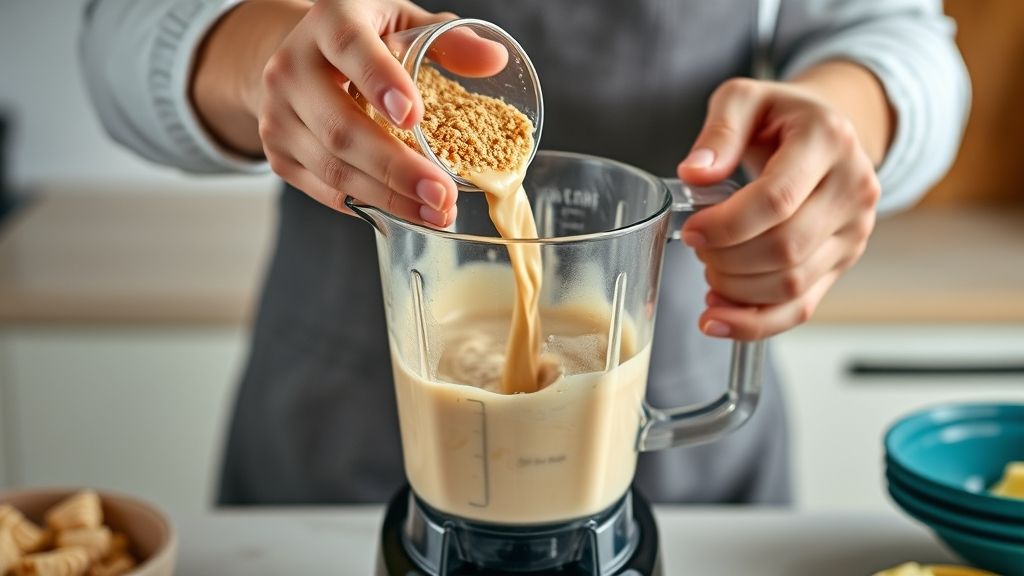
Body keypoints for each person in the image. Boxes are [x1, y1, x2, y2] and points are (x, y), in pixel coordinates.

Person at [79, 0, 969, 506]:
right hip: (337, 440)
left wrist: (841, 125)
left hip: (681, 445)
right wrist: (263, 55)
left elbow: (897, 32)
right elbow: (120, 31)